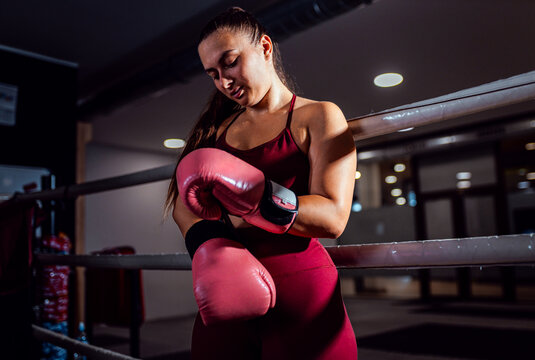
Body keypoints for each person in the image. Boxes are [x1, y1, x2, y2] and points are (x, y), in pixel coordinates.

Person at [165, 7, 357, 359]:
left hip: (301, 287)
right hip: (227, 291)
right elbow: (183, 206)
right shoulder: (216, 131)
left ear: (265, 47)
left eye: (231, 62)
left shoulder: (317, 116)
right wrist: (208, 247)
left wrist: (256, 196)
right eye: (213, 73)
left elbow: (333, 216)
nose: (224, 81)